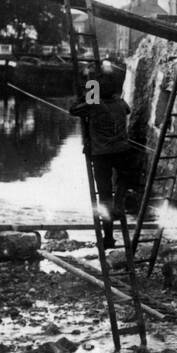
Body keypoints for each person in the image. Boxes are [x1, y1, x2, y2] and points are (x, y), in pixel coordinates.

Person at [69, 67, 136, 249]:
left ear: (97, 91)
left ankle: (108, 237)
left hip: (101, 155)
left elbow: (73, 110)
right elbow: (128, 110)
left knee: (104, 194)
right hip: (122, 150)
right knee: (124, 178)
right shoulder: (121, 104)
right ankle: (119, 203)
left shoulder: (93, 105)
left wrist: (87, 95)